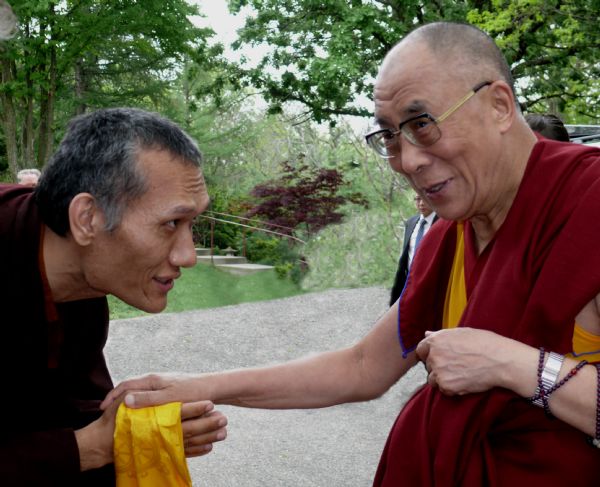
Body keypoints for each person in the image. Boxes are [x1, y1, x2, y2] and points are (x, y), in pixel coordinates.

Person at [104, 23, 600, 485]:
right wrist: (190, 386)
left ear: (498, 105)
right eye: (388, 137)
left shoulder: (588, 203)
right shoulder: (455, 234)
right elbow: (363, 366)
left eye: (422, 124)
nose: (406, 161)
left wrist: (513, 365)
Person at [0, 107, 227, 486]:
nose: (188, 256)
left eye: (193, 223)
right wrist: (93, 446)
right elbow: (90, 442)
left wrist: (143, 423)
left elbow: (56, 412)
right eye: (171, 223)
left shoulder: (83, 282)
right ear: (87, 219)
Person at [389, 194, 437, 305]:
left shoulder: (443, 224)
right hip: (409, 283)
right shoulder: (411, 222)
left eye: (425, 198)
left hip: (432, 287)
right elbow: (406, 256)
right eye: (418, 199)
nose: (421, 203)